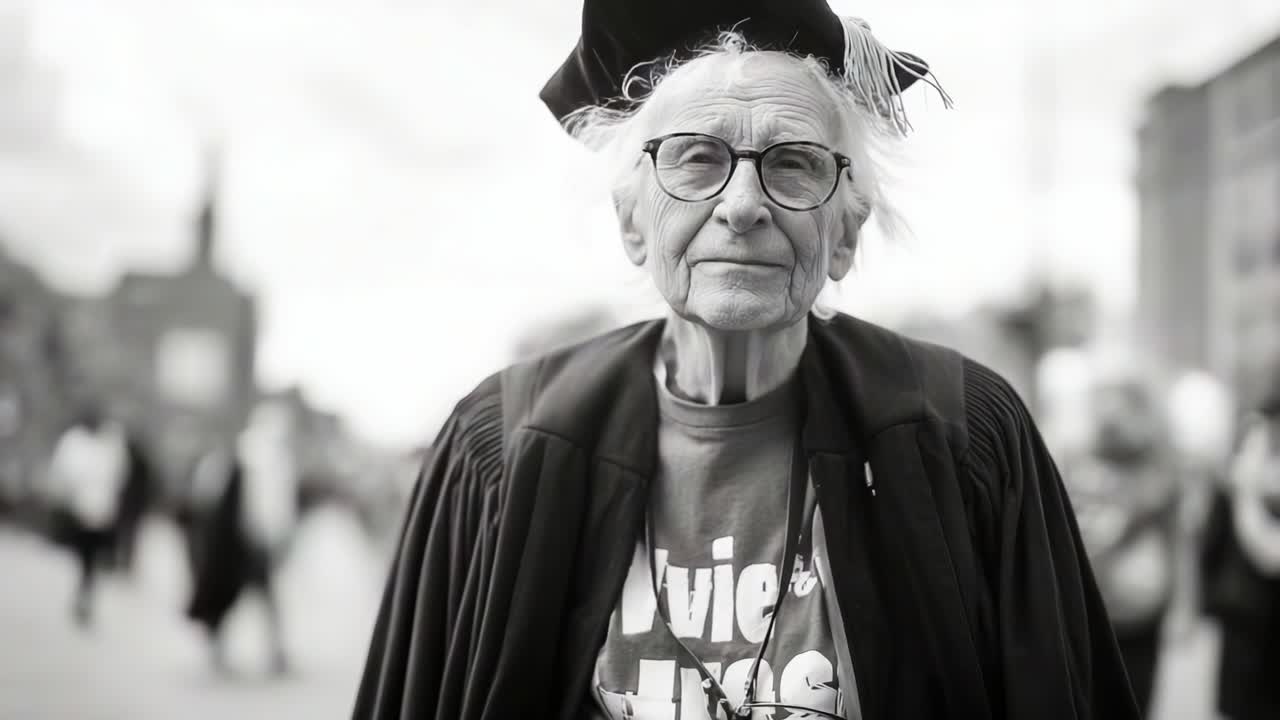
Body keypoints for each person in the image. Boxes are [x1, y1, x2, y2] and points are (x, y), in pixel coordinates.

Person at [354, 1, 1139, 717]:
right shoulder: (506, 445)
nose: (741, 204)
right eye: (696, 159)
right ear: (633, 222)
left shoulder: (963, 434)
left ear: (846, 233)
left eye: (793, 163)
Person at [1061, 367, 1180, 717]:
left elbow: (1178, 539)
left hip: (1144, 609)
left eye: (1122, 402)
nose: (1111, 413)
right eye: (1103, 401)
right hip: (1090, 605)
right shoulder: (1076, 458)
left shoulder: (1158, 463)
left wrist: (1184, 608)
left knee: (1135, 697)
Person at [185, 400, 299, 675]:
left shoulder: (264, 454)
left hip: (250, 540)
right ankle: (267, 651)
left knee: (254, 596)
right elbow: (259, 503)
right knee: (241, 595)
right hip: (246, 541)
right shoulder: (258, 455)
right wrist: (264, 535)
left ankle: (271, 651)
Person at [45, 405, 129, 627]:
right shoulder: (79, 443)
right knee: (85, 556)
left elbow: (117, 477)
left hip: (99, 512)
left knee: (90, 558)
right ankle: (84, 591)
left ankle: (85, 592)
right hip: (82, 509)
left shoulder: (110, 444)